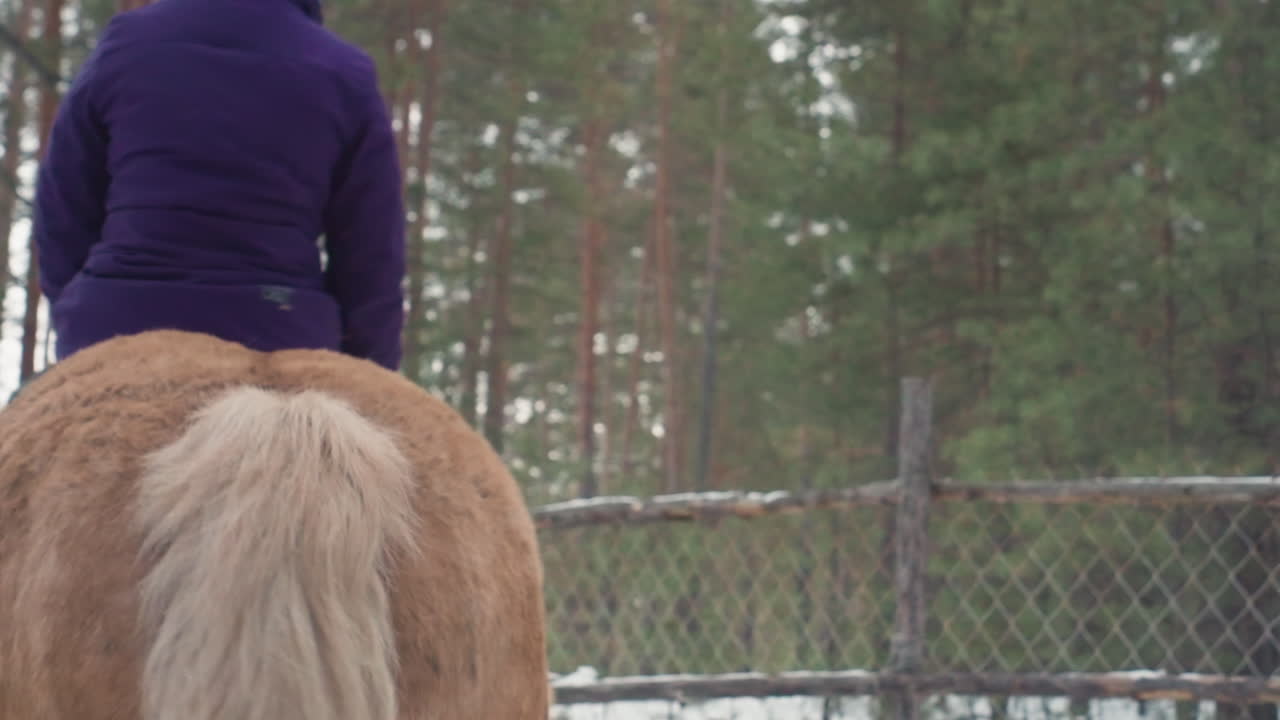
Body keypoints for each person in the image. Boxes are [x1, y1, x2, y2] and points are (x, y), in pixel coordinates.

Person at [30, 0, 405, 372]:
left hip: (115, 320)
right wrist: (370, 370)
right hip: (281, 330)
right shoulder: (344, 70)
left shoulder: (128, 40)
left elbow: (62, 207)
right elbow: (372, 253)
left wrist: (77, 309)